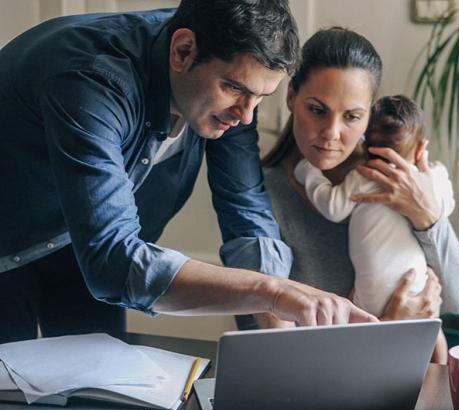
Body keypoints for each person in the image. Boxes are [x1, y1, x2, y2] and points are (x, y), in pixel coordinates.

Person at [0, 1, 376, 344]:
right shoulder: (93, 79)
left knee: (96, 400)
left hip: (82, 251)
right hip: (10, 243)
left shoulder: (235, 79)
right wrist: (274, 292)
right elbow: (113, 261)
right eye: (234, 89)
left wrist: (281, 337)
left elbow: (244, 210)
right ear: (182, 51)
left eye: (260, 98)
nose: (246, 115)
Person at [242, 28, 459, 362]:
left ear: (369, 117)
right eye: (318, 110)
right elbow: (281, 356)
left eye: (352, 116)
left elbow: (457, 299)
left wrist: (428, 217)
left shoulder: (395, 181)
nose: (331, 134)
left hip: (407, 381)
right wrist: (386, 327)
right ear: (291, 96)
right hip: (312, 397)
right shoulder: (258, 198)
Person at [294, 95, 455, 316]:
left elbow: (333, 207)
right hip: (416, 284)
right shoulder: (427, 182)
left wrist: (309, 173)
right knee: (433, 331)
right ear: (421, 150)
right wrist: (440, 174)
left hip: (370, 296)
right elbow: (446, 208)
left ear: (364, 144)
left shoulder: (363, 177)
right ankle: (441, 351)